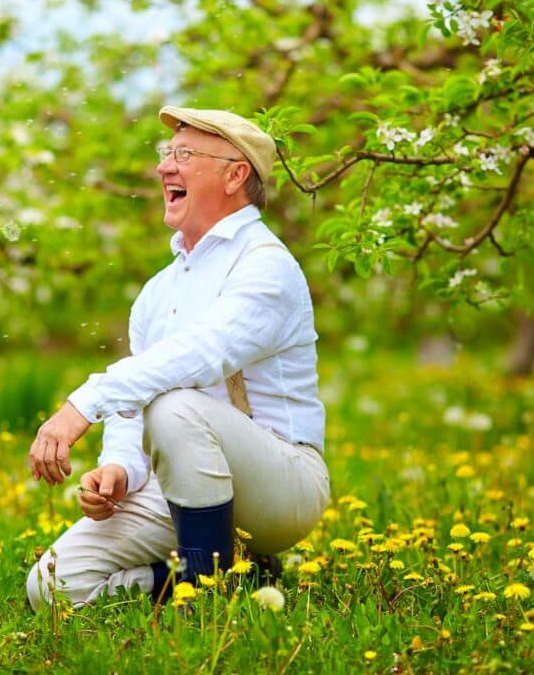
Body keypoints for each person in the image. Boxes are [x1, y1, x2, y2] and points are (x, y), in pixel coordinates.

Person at [25, 106, 329, 609]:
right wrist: (120, 466)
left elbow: (203, 353)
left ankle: (205, 601)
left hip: (282, 485)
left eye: (185, 154)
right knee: (51, 588)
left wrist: (83, 404)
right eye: (167, 153)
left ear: (235, 175)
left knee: (176, 406)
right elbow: (140, 394)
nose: (166, 167)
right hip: (181, 490)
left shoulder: (266, 265)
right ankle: (220, 573)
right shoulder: (158, 290)